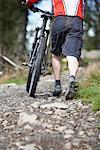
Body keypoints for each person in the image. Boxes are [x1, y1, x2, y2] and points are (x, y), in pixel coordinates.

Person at [25, 0, 85, 100]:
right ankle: (72, 80)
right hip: (76, 21)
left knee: (56, 54)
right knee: (72, 54)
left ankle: (57, 85)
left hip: (60, 19)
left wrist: (29, 3)